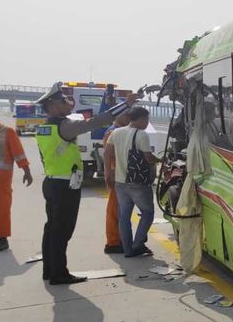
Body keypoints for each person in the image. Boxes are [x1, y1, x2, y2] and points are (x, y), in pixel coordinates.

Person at [36, 82, 140, 285]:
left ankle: (49, 270)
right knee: (62, 230)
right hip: (65, 186)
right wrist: (125, 105)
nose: (69, 103)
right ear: (54, 105)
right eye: (64, 100)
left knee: (51, 228)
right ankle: (59, 273)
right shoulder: (64, 126)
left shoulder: (44, 128)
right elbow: (96, 122)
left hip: (51, 182)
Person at [104, 106, 160, 258]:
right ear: (142, 119)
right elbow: (148, 158)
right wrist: (160, 159)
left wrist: (107, 173)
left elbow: (107, 154)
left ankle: (128, 250)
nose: (147, 123)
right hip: (137, 183)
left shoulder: (116, 132)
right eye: (147, 119)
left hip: (120, 182)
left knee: (124, 216)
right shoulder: (141, 135)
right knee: (147, 213)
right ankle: (138, 244)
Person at [0, 103, 33, 253]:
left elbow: (18, 153)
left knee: (0, 209)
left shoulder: (7, 132)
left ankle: (2, 239)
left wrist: (27, 171)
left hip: (0, 180)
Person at [103, 112, 130, 254]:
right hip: (115, 173)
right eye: (126, 116)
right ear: (119, 117)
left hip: (118, 173)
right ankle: (113, 242)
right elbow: (108, 154)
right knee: (114, 210)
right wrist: (108, 173)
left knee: (119, 210)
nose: (128, 119)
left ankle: (118, 239)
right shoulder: (113, 132)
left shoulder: (116, 131)